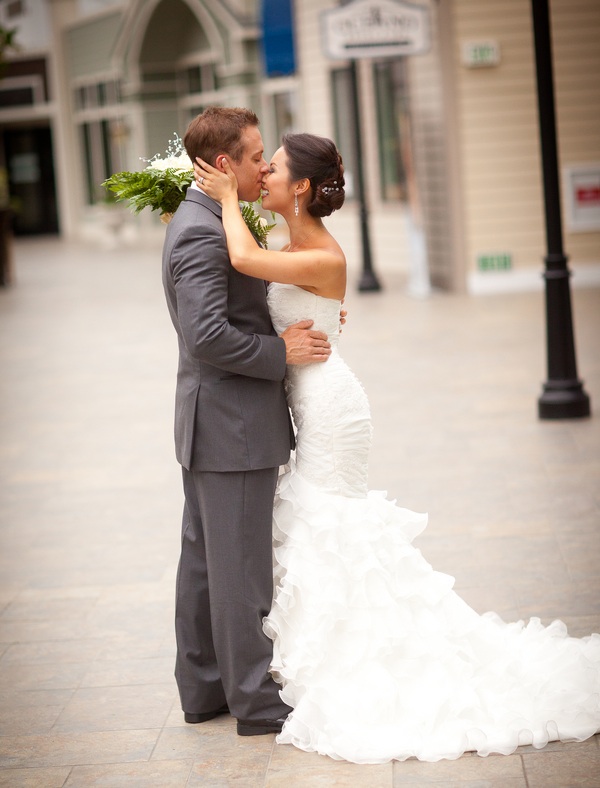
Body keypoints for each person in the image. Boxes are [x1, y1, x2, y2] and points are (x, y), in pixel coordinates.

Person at [194, 132, 600, 763]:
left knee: (332, 523)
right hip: (308, 391)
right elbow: (269, 288)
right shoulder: (294, 246)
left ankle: (369, 652)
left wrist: (221, 196)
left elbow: (244, 262)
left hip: (331, 407)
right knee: (322, 524)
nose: (262, 175)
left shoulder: (319, 254)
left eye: (271, 168)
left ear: (299, 187)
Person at [162, 107, 333, 737]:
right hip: (231, 426)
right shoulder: (203, 232)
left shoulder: (205, 217)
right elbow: (205, 334)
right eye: (258, 155)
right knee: (238, 570)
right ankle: (257, 703)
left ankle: (205, 689)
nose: (266, 165)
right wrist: (278, 353)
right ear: (226, 164)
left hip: (216, 423)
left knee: (208, 564)